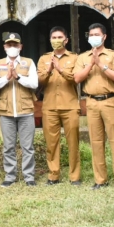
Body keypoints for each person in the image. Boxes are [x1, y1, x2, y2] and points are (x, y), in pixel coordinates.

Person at [74, 23, 114, 190]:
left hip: (110, 101)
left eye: (97, 34)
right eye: (91, 34)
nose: (93, 37)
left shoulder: (113, 55)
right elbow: (77, 79)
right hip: (91, 102)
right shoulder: (83, 57)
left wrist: (102, 64)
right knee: (96, 141)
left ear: (104, 37)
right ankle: (100, 180)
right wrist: (91, 63)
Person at [0, 33, 38, 188]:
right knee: (8, 147)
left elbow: (34, 84)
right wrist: (7, 77)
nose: (12, 48)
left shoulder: (28, 62)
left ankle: (29, 176)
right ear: (4, 47)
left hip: (26, 111)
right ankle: (10, 176)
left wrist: (17, 77)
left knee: (28, 147)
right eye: (9, 45)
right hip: (6, 112)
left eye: (15, 45)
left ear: (20, 47)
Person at [37, 26, 80, 186]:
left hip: (70, 106)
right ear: (50, 40)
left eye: (59, 37)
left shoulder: (75, 58)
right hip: (50, 107)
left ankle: (74, 176)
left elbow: (76, 78)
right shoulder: (43, 59)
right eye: (53, 37)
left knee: (73, 143)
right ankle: (53, 175)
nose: (56, 40)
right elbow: (39, 81)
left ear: (66, 40)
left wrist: (60, 69)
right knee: (51, 143)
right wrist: (49, 70)